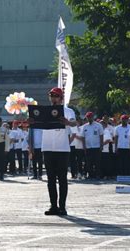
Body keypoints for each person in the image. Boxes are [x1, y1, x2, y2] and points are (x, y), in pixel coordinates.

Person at [41, 87, 76, 216]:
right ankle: (53, 206)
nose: (53, 98)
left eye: (56, 96)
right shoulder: (44, 111)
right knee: (50, 179)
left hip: (62, 148)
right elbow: (37, 124)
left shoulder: (67, 111)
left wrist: (67, 122)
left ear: (61, 98)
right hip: (48, 147)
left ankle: (62, 206)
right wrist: (31, 122)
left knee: (62, 179)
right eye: (52, 96)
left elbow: (74, 123)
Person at [81, 112, 103, 179]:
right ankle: (90, 175)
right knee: (88, 162)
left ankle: (97, 175)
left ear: (93, 117)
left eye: (90, 117)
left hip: (96, 147)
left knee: (97, 162)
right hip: (88, 147)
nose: (89, 118)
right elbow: (83, 137)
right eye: (88, 117)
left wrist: (101, 145)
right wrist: (84, 146)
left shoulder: (98, 125)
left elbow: (101, 135)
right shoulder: (85, 126)